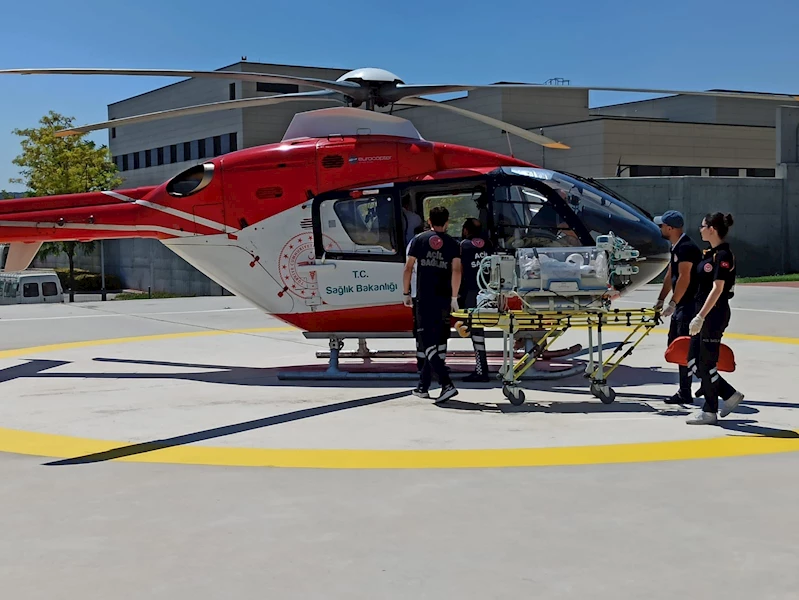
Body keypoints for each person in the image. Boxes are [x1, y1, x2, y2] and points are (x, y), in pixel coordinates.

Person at [685, 212, 745, 425]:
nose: (700, 229)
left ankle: (710, 411)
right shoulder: (709, 253)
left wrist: (701, 316)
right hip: (702, 311)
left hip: (713, 313)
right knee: (694, 361)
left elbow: (718, 288)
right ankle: (728, 394)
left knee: (707, 363)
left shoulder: (723, 256)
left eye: (702, 226)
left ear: (712, 228)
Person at [403, 206, 462, 403]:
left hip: (424, 298)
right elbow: (456, 271)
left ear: (429, 221)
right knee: (437, 342)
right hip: (444, 299)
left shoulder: (418, 240)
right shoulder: (453, 243)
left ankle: (446, 384)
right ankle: (423, 386)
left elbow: (409, 268)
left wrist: (406, 293)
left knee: (426, 342)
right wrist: (454, 298)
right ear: (447, 222)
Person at [653, 210, 703, 404]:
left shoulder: (686, 248)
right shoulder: (677, 247)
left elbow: (684, 277)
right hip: (682, 304)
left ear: (670, 228)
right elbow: (670, 275)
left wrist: (673, 303)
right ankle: (688, 389)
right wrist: (660, 299)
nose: (660, 228)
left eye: (662, 225)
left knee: (684, 348)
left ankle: (690, 389)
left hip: (689, 305)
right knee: (675, 346)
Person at [458, 217, 494, 382]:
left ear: (466, 230)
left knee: (476, 332)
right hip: (488, 292)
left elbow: (459, 270)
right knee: (478, 330)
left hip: (471, 293)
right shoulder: (489, 244)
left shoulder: (463, 246)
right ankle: (482, 368)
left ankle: (481, 370)